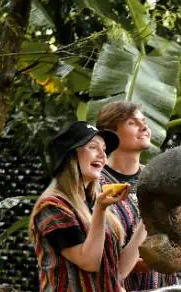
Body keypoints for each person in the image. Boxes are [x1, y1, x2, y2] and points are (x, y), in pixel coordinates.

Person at [96, 100, 181, 290]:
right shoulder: (96, 185)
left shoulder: (162, 183)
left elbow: (174, 252)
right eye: (132, 123)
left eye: (143, 121)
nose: (144, 127)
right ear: (110, 134)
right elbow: (95, 259)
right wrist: (145, 262)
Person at [28, 121, 147, 291]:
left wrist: (148, 219)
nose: (103, 155)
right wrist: (100, 210)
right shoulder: (52, 207)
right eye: (93, 147)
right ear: (70, 155)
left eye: (104, 149)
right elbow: (89, 262)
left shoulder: (94, 202)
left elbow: (118, 272)